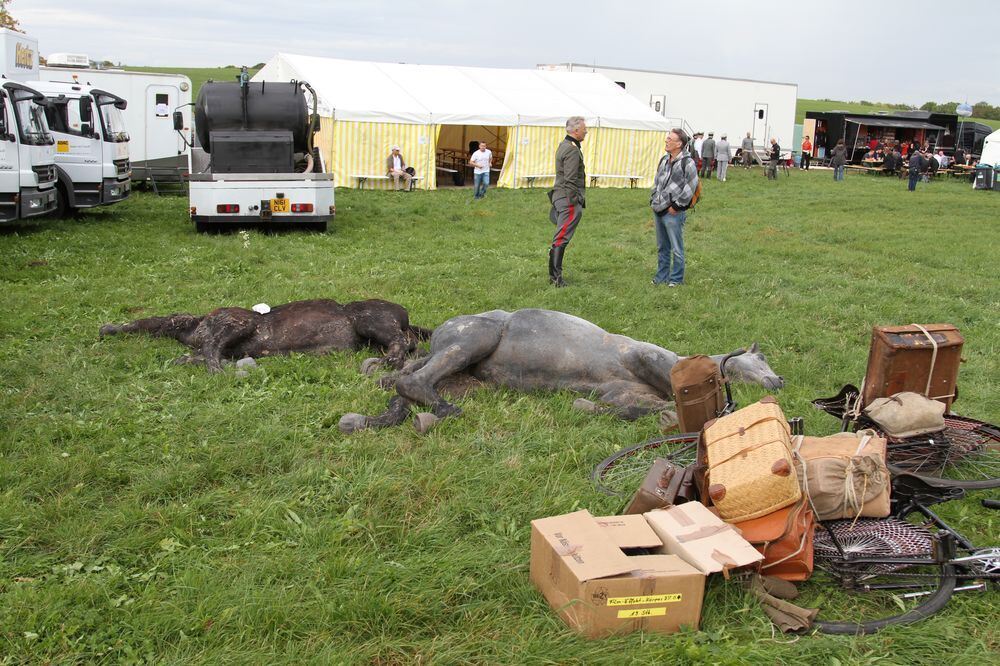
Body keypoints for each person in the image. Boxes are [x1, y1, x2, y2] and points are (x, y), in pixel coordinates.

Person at [649, 128, 699, 287]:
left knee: (676, 247)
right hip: (659, 209)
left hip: (673, 212)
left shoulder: (687, 162)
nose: (666, 140)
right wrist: (653, 199)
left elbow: (691, 185)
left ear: (679, 143)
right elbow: (657, 181)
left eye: (670, 139)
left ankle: (676, 279)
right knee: (662, 247)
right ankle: (661, 277)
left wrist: (677, 206)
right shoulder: (664, 159)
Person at [547, 116, 587, 288]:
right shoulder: (571, 149)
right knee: (561, 236)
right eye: (584, 128)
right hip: (567, 198)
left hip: (561, 195)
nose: (586, 131)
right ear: (576, 130)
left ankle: (554, 276)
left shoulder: (565, 144)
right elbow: (570, 179)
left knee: (561, 235)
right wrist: (574, 201)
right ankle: (556, 278)